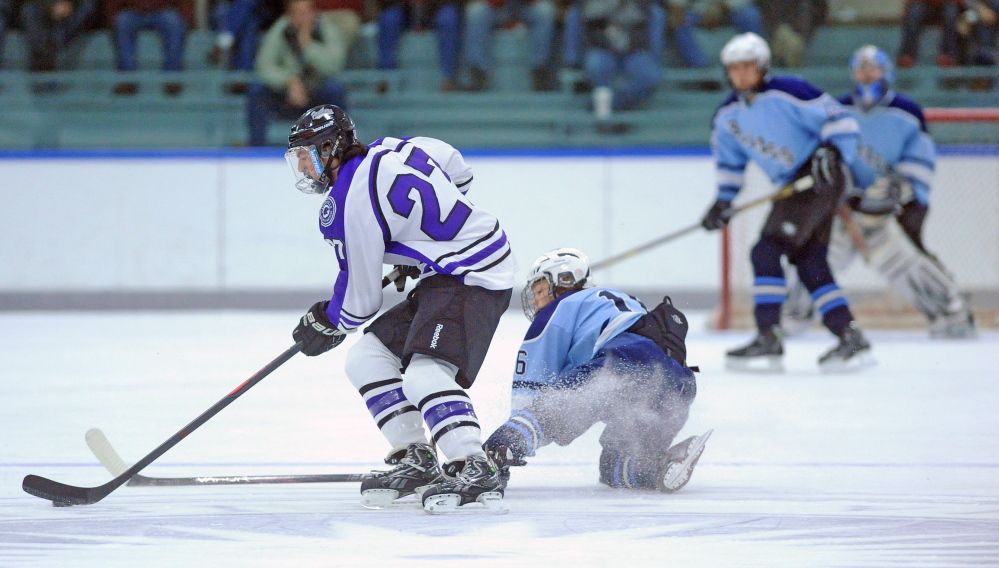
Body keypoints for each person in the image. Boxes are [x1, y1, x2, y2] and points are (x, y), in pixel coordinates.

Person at [285, 105, 517, 513]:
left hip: (472, 274)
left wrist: (327, 320)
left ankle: (474, 464)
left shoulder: (348, 201)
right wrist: (422, 241)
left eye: (306, 155)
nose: (303, 167)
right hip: (448, 273)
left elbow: (359, 300)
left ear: (330, 147)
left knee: (424, 374)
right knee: (368, 357)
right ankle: (417, 456)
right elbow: (454, 166)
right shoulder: (395, 147)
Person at [700, 32, 873, 373]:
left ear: (762, 67)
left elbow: (841, 120)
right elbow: (731, 165)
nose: (741, 74)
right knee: (809, 261)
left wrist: (833, 150)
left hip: (818, 176)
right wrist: (722, 202)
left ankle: (768, 335)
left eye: (748, 67)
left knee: (765, 250)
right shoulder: (727, 116)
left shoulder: (790, 90)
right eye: (734, 68)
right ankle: (848, 335)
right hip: (794, 185)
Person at [782, 46, 977, 339]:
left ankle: (953, 317)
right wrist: (835, 185)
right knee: (818, 260)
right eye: (861, 68)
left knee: (906, 264)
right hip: (841, 211)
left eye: (873, 67)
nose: (866, 73)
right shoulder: (839, 110)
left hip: (885, 214)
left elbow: (920, 160)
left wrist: (899, 190)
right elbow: (822, 152)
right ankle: (792, 319)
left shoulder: (907, 112)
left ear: (886, 72)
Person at [483, 248, 711, 493]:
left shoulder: (560, 307)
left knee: (548, 410)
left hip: (624, 365)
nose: (536, 301)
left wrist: (509, 441)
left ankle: (489, 460)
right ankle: (662, 466)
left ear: (564, 283)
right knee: (615, 465)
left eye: (539, 290)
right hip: (677, 386)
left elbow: (531, 392)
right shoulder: (627, 301)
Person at [247, 0, 355, 146]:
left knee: (335, 89)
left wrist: (307, 44)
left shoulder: (326, 29)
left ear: (314, 13)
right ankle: (257, 146)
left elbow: (334, 66)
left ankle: (340, 145)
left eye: (305, 13)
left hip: (317, 90)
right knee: (257, 90)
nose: (301, 17)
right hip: (286, 91)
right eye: (296, 13)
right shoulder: (280, 29)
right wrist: (289, 81)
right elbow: (264, 66)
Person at [582, 0, 661, 117]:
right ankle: (609, 117)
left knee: (650, 75)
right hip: (603, 49)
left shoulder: (642, 4)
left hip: (632, 51)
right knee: (596, 66)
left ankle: (613, 106)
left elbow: (643, 29)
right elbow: (590, 29)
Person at [463, 0, 559, 91]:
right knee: (476, 12)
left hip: (525, 7)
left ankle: (540, 70)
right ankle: (478, 71)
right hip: (498, 9)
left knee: (545, 11)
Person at [105, 0, 191, 96]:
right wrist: (112, 17)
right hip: (132, 11)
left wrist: (187, 16)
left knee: (175, 23)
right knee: (122, 22)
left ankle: (172, 78)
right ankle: (127, 79)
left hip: (162, 10)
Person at [375, 0, 462, 92]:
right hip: (406, 10)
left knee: (448, 19)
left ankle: (448, 77)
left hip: (438, 8)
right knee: (389, 19)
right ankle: (386, 76)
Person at [664, 0, 764, 69]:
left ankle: (753, 63)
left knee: (750, 16)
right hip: (696, 10)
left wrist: (722, 7)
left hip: (729, 8)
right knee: (678, 20)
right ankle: (700, 67)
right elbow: (676, 5)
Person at [20, 0, 98, 72]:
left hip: (73, 6)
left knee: (87, 5)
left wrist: (69, 4)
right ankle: (44, 51)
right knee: (28, 9)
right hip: (44, 6)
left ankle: (53, 47)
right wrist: (51, 6)